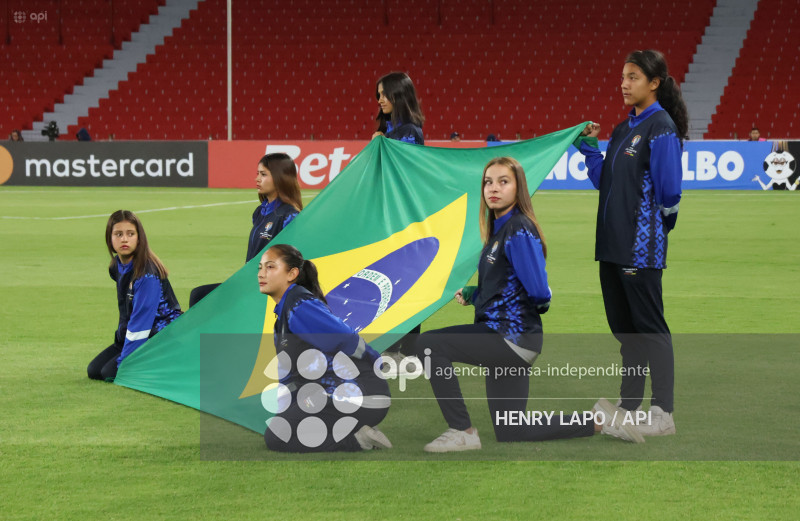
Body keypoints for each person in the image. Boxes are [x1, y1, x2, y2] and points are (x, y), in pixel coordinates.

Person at [415, 157, 643, 453]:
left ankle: (462, 431)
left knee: (430, 345)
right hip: (513, 340)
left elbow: (539, 292)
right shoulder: (500, 230)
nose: (493, 188)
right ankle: (600, 420)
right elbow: (506, 282)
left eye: (503, 181)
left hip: (509, 337)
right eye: (488, 182)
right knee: (512, 428)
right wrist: (475, 293)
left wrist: (532, 300)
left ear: (518, 188)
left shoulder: (519, 228)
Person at [577, 49, 687, 437]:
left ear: (654, 83)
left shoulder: (661, 128)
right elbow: (605, 181)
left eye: (634, 77)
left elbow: (670, 195)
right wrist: (590, 150)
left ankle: (663, 414)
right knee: (626, 332)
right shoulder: (624, 129)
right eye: (623, 76)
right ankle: (628, 407)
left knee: (650, 329)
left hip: (639, 250)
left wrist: (656, 234)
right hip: (610, 247)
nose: (624, 83)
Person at [259, 244, 392, 452]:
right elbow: (291, 377)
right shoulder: (286, 311)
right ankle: (355, 428)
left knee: (276, 437)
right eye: (260, 268)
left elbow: (345, 338)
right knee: (281, 428)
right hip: (340, 395)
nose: (262, 274)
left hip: (363, 395)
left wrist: (375, 361)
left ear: (292, 274)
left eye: (270, 267)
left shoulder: (298, 306)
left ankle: (357, 439)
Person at [188, 153, 302, 306]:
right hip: (248, 282)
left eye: (263, 174)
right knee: (198, 295)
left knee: (199, 297)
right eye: (257, 174)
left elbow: (292, 262)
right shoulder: (260, 212)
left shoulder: (289, 217)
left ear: (279, 178)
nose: (257, 179)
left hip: (262, 288)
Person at [87, 210, 182, 381]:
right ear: (110, 239)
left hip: (160, 337)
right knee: (94, 371)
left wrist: (126, 361)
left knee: (110, 373)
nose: (124, 239)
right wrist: (121, 342)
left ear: (139, 238)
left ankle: (169, 363)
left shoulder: (147, 275)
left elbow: (141, 322)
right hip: (141, 334)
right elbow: (126, 311)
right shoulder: (116, 266)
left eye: (130, 234)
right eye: (118, 234)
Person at [372, 72, 424, 145]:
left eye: (384, 94)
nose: (380, 100)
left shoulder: (410, 132)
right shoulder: (386, 129)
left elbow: (401, 156)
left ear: (399, 96)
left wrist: (382, 144)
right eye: (379, 95)